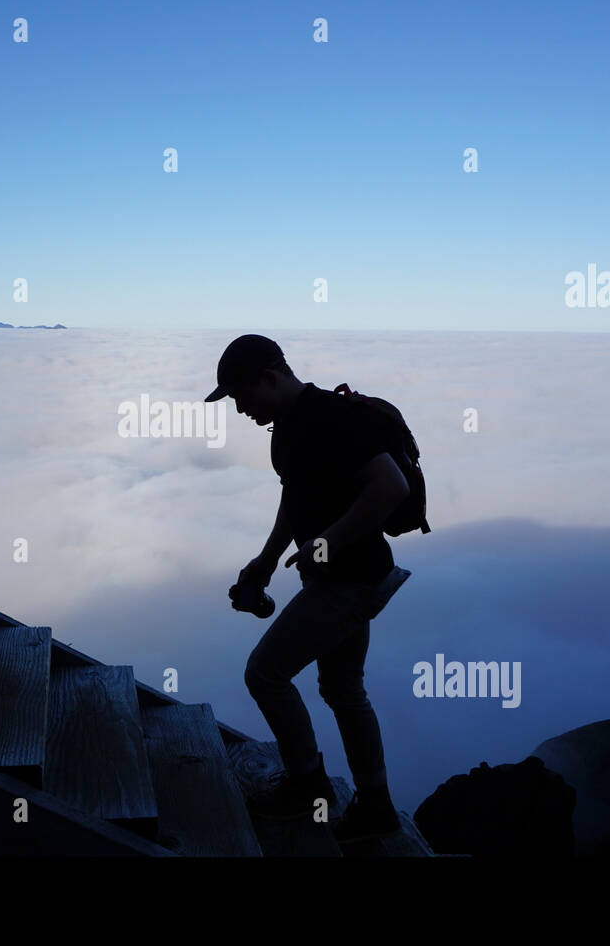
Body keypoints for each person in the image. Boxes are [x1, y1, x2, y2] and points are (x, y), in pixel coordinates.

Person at [205, 334, 410, 843]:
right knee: (343, 690)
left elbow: (391, 487)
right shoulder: (290, 428)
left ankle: (308, 787)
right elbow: (295, 499)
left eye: (239, 396)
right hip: (351, 578)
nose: (239, 408)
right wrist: (266, 561)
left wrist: (326, 543)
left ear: (270, 378)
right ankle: (376, 806)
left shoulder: (332, 418)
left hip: (351, 581)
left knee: (265, 674)